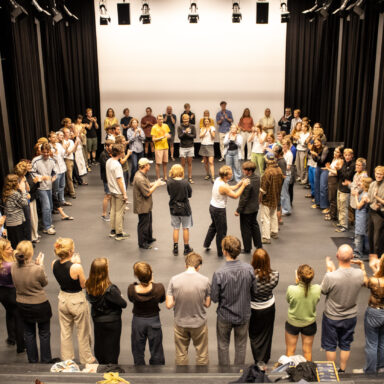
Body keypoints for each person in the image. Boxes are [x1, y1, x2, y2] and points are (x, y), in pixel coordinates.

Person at [211, 235, 256, 366]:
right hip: (244, 313)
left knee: (223, 345)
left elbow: (214, 297)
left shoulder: (219, 273)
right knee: (241, 345)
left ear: (224, 251)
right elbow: (255, 291)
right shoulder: (249, 269)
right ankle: (239, 373)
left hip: (225, 315)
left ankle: (225, 374)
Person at [11, 241, 57, 364]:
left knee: (28, 333)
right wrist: (40, 266)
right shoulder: (37, 269)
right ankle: (46, 360)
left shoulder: (13, 267)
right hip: (40, 305)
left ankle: (32, 360)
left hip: (22, 304)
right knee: (44, 333)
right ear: (31, 253)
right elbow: (44, 283)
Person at [321, 244, 364, 373]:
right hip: (350, 316)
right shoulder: (359, 274)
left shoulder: (331, 276)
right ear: (352, 257)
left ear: (337, 256)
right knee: (346, 344)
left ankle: (331, 371)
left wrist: (329, 270)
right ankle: (342, 370)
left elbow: (323, 290)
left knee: (330, 346)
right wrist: (362, 266)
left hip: (332, 316)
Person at [52, 238, 94, 364]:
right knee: (82, 331)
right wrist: (78, 264)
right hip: (76, 301)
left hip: (63, 299)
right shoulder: (76, 267)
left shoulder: (54, 263)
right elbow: (83, 285)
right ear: (70, 251)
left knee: (65, 331)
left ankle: (67, 359)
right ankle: (86, 358)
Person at [166, 252, 211, 365]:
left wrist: (179, 298)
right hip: (199, 324)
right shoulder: (205, 280)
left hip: (180, 323)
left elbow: (169, 304)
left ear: (186, 265)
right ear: (199, 266)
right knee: (202, 354)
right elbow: (207, 304)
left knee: (181, 354)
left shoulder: (174, 279)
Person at [86, 258, 127, 364]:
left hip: (97, 320)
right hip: (112, 322)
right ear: (104, 271)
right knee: (112, 347)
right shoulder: (110, 289)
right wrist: (120, 296)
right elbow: (123, 304)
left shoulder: (89, 285)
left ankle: (102, 365)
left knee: (100, 345)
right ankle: (111, 369)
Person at [203, 166, 249, 257]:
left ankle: (206, 244)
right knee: (222, 232)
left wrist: (239, 184)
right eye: (230, 174)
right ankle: (221, 252)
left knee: (214, 226)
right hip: (219, 210)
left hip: (212, 207)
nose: (232, 175)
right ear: (225, 176)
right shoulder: (223, 186)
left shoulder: (218, 179)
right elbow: (235, 196)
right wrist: (243, 186)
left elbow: (231, 188)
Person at [128, 262, 165, 365]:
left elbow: (131, 299)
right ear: (150, 274)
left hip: (138, 322)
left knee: (137, 351)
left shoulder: (131, 289)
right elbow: (162, 299)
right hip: (154, 320)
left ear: (137, 276)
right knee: (157, 350)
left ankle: (140, 373)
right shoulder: (159, 288)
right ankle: (157, 373)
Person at [352, 257, 384, 374]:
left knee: (372, 343)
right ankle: (381, 367)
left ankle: (370, 370)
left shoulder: (375, 281)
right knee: (382, 342)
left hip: (374, 313)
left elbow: (365, 281)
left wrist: (362, 267)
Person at [285, 264, 321, 361]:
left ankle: (290, 374)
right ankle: (308, 374)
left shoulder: (291, 289)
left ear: (298, 276)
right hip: (309, 324)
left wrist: (297, 283)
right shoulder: (317, 289)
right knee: (307, 351)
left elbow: (289, 300)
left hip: (293, 323)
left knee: (290, 350)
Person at [249, 249, 278, 364]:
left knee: (254, 334)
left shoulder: (250, 277)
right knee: (267, 333)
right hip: (268, 307)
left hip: (253, 308)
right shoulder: (275, 275)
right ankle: (265, 358)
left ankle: (257, 358)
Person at [133, 158, 164, 249]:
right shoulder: (140, 178)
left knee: (149, 222)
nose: (150, 166)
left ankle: (149, 238)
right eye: (148, 165)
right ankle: (142, 243)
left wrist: (155, 183)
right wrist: (156, 185)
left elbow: (147, 185)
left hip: (146, 204)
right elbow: (147, 193)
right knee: (143, 224)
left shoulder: (142, 175)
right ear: (145, 166)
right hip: (142, 205)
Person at [0, 238, 25, 353]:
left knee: (9, 312)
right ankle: (21, 346)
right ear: (2, 251)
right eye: (9, 248)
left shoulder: (3, 264)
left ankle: (11, 337)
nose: (12, 249)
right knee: (19, 317)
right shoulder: (11, 265)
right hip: (12, 292)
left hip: (2, 293)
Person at [235, 161, 262, 252]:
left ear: (249, 171)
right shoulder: (257, 178)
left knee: (245, 229)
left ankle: (247, 248)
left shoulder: (247, 183)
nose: (242, 171)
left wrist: (238, 210)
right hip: (255, 207)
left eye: (244, 170)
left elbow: (244, 199)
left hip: (246, 210)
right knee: (254, 225)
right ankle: (259, 245)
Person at [167, 164, 193, 256]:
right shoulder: (185, 182)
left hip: (173, 208)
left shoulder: (169, 182)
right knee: (185, 228)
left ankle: (175, 248)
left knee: (176, 228)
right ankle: (186, 248)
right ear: (181, 171)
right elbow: (190, 194)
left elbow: (169, 193)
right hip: (185, 208)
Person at [31, 143, 57, 235]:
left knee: (50, 206)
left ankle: (48, 223)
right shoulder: (36, 160)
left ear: (50, 151)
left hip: (49, 186)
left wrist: (54, 177)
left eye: (47, 152)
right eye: (44, 152)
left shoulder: (52, 160)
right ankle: (47, 227)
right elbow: (32, 172)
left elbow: (54, 171)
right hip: (40, 187)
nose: (46, 154)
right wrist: (41, 177)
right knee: (46, 207)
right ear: (41, 151)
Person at [259, 152, 284, 244]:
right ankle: (274, 232)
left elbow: (263, 188)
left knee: (265, 217)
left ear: (267, 160)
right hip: (276, 196)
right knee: (273, 214)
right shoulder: (279, 170)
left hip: (267, 198)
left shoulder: (267, 172)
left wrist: (260, 198)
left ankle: (266, 237)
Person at [106, 144, 129, 240]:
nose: (124, 153)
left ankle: (113, 230)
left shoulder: (109, 161)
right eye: (123, 151)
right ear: (119, 153)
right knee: (119, 212)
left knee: (113, 211)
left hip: (112, 190)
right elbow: (119, 180)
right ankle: (119, 233)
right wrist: (124, 194)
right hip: (118, 191)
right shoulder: (117, 165)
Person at [2, 174, 29, 248]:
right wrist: (23, 191)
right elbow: (25, 203)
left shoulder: (5, 192)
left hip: (10, 222)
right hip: (17, 222)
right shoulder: (15, 194)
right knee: (19, 244)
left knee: (13, 243)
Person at [367, 166, 384, 268]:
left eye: (380, 174)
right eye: (377, 174)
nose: (378, 176)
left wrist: (377, 198)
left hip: (380, 215)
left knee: (377, 239)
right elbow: (369, 198)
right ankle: (372, 258)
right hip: (371, 212)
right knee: (370, 236)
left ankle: (378, 261)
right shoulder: (372, 184)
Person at [336, 148, 355, 233]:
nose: (347, 157)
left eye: (349, 155)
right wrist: (340, 170)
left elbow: (347, 176)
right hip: (340, 187)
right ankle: (341, 222)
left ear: (352, 156)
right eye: (345, 155)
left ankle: (344, 225)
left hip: (346, 190)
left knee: (344, 208)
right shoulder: (344, 163)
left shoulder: (352, 165)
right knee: (340, 206)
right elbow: (340, 175)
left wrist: (340, 169)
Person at [353, 178, 372, 260]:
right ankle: (363, 250)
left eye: (361, 182)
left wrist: (356, 197)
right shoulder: (364, 192)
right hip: (360, 215)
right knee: (362, 233)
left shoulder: (365, 195)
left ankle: (358, 252)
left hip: (362, 215)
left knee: (359, 233)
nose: (360, 183)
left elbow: (358, 206)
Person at [324, 146, 344, 221]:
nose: (335, 153)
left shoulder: (340, 161)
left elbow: (337, 173)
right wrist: (328, 168)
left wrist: (329, 169)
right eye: (335, 151)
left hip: (334, 180)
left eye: (337, 152)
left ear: (341, 153)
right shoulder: (334, 159)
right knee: (330, 197)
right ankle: (332, 212)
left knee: (332, 198)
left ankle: (333, 215)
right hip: (330, 178)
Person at [311, 138, 330, 213]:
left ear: (321, 142)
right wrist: (313, 155)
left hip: (325, 168)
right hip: (318, 167)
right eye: (315, 143)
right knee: (316, 185)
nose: (316, 144)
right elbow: (316, 160)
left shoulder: (325, 148)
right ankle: (317, 203)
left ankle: (325, 206)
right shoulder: (315, 149)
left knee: (323, 187)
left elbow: (322, 160)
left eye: (317, 143)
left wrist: (315, 154)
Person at [178, 114, 196, 183]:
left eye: (187, 119)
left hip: (190, 147)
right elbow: (180, 137)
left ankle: (190, 178)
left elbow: (194, 136)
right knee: (183, 164)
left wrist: (187, 134)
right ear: (182, 119)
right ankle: (182, 177)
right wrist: (185, 132)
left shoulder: (192, 126)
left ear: (189, 119)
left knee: (189, 163)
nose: (186, 121)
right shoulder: (180, 127)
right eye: (184, 119)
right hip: (182, 147)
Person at [151, 114, 171, 180]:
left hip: (165, 147)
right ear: (157, 120)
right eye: (159, 119)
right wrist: (161, 137)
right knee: (158, 163)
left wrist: (168, 136)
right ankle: (158, 178)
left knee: (165, 163)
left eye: (162, 119)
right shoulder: (154, 127)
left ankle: (165, 177)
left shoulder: (166, 126)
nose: (161, 120)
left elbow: (168, 135)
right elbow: (153, 139)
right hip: (158, 147)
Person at [62, 125, 79, 199]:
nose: (69, 133)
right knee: (69, 177)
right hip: (67, 160)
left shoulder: (70, 141)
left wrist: (75, 145)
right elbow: (68, 152)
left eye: (69, 132)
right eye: (67, 132)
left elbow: (74, 151)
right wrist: (75, 144)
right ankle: (72, 192)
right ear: (64, 133)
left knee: (70, 176)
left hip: (71, 159)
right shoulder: (63, 142)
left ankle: (67, 191)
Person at [127, 118, 146, 184]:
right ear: (131, 124)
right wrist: (135, 133)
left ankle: (139, 180)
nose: (134, 124)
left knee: (141, 165)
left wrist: (140, 133)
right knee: (134, 165)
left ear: (137, 123)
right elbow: (130, 140)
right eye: (133, 122)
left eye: (135, 122)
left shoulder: (140, 129)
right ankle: (132, 179)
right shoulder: (129, 130)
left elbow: (143, 138)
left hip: (140, 149)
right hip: (133, 150)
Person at [99, 140, 113, 221]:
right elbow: (107, 166)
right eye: (111, 146)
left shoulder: (110, 154)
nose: (112, 147)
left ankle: (111, 212)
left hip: (110, 178)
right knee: (107, 196)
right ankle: (103, 214)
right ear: (107, 146)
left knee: (111, 196)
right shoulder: (103, 155)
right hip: (106, 178)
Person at [199, 117, 215, 182]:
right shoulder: (202, 128)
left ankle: (213, 177)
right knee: (205, 162)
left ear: (209, 122)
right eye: (205, 121)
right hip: (203, 145)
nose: (206, 122)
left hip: (210, 146)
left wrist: (210, 132)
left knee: (211, 162)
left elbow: (213, 137)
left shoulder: (212, 128)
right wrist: (205, 131)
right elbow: (200, 136)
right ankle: (207, 174)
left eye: (207, 121)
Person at [281, 138, 293, 216]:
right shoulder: (283, 153)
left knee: (284, 193)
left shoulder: (289, 154)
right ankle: (283, 208)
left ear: (288, 145)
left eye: (285, 144)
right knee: (282, 193)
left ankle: (287, 210)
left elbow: (288, 167)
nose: (283, 146)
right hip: (282, 174)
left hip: (286, 175)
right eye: (283, 144)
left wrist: (279, 167)